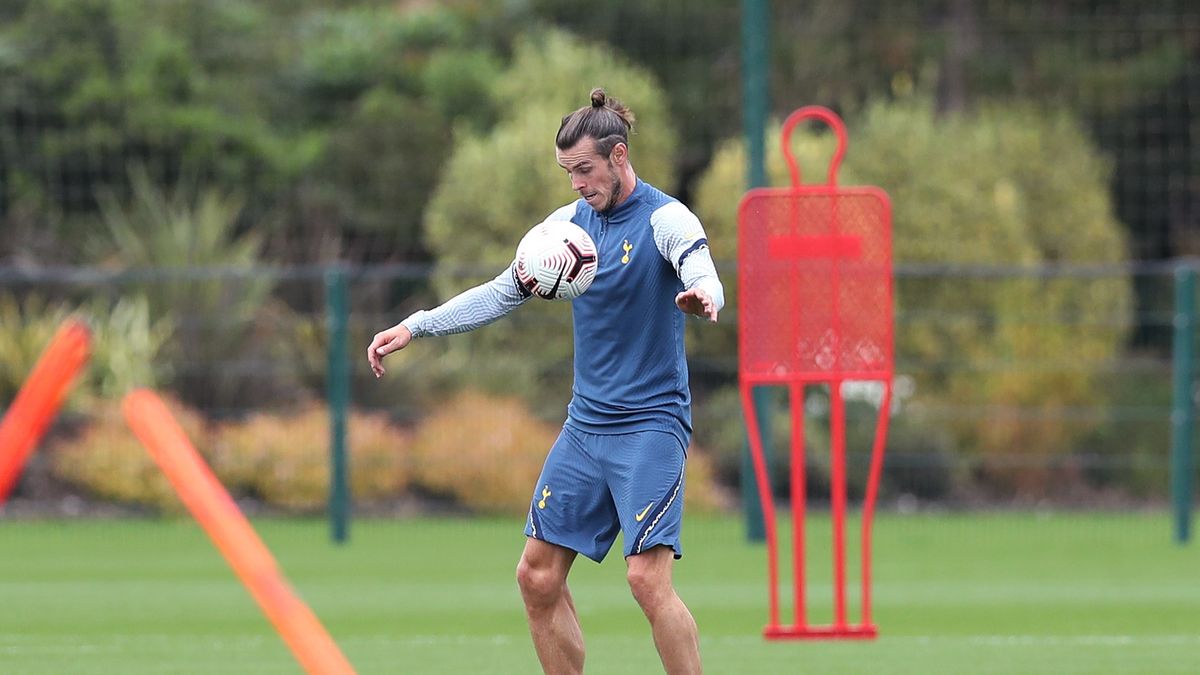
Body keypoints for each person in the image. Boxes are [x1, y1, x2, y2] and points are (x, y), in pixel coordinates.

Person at [366, 87, 722, 675]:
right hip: (586, 427)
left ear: (619, 155)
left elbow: (702, 269)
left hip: (651, 426)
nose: (577, 183)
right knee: (536, 575)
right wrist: (416, 325)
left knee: (646, 579)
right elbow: (501, 292)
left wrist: (704, 295)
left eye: (584, 169)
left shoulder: (666, 218)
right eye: (568, 173)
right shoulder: (563, 230)